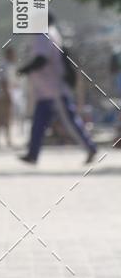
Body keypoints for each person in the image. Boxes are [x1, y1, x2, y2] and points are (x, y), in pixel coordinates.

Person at [17, 13, 97, 166]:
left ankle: (90, 147)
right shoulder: (53, 33)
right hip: (46, 90)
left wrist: (24, 69)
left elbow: (41, 59)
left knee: (70, 121)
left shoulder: (44, 34)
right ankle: (32, 154)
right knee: (38, 123)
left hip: (54, 90)